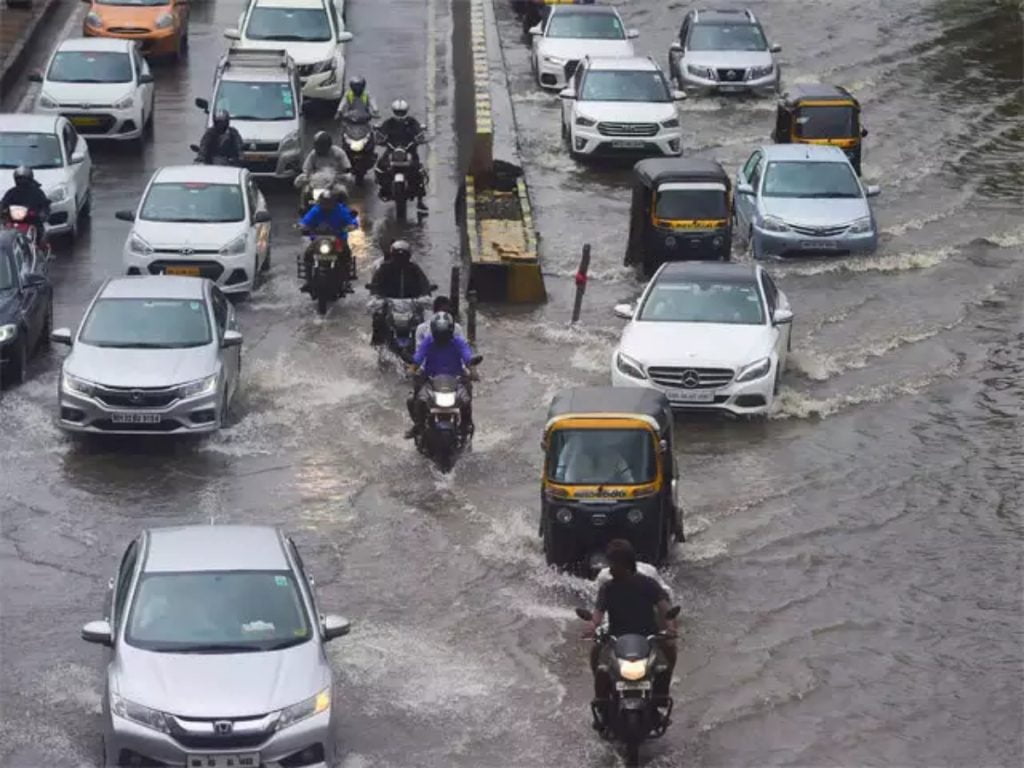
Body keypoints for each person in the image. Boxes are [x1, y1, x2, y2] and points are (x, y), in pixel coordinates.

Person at [583, 539, 677, 728]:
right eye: (610, 564)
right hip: (616, 640)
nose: (610, 569)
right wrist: (592, 626)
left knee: (665, 663)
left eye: (613, 564)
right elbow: (598, 614)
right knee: (599, 662)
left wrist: (670, 627)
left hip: (647, 640)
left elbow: (665, 608)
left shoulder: (648, 584)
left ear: (625, 564)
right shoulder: (607, 588)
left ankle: (660, 699)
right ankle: (601, 704)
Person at [406, 311, 475, 439]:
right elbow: (418, 357)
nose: (441, 337)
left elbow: (467, 356)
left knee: (466, 399)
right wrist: (412, 369)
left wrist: (472, 369)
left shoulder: (458, 341)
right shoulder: (428, 341)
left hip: (456, 380)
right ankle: (419, 426)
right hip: (431, 380)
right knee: (416, 400)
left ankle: (466, 424)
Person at [368, 240, 432, 345]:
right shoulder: (384, 269)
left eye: (403, 256)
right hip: (389, 304)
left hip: (412, 305)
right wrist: (376, 297)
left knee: (423, 321)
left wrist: (426, 294)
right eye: (397, 256)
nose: (400, 260)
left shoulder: (414, 269)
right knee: (378, 319)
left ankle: (423, 345)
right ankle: (376, 345)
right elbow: (375, 285)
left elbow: (424, 284)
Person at [298, 189, 359, 291]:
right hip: (319, 240)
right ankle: (308, 281)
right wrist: (302, 226)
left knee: (346, 254)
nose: (326, 206)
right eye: (324, 203)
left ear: (334, 203)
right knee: (308, 254)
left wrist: (351, 226)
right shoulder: (316, 210)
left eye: (329, 203)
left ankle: (346, 281)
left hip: (338, 239)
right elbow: (306, 221)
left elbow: (351, 221)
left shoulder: (340, 210)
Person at [376, 98, 428, 212]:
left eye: (402, 112)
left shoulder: (412, 122)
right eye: (397, 112)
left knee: (419, 171)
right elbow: (381, 133)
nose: (400, 115)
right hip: (392, 151)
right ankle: (383, 189)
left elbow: (419, 132)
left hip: (409, 151)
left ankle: (420, 201)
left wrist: (420, 138)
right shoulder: (389, 123)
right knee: (380, 167)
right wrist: (379, 138)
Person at [1, 166, 51, 242]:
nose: (21, 181)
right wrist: (3, 211)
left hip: (32, 221)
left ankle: (39, 247)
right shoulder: (11, 192)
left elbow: (44, 204)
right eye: (19, 179)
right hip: (14, 222)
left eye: (23, 179)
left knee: (40, 233)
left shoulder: (37, 192)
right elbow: (4, 203)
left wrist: (43, 212)